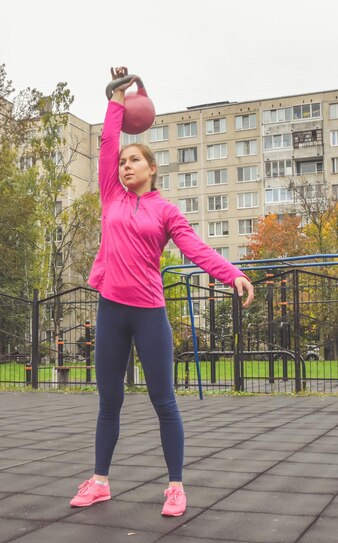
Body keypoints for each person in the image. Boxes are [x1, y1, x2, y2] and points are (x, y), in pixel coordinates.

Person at [70, 67, 254, 516]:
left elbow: (195, 249)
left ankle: (175, 486)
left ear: (152, 168)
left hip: (150, 313)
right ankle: (99, 481)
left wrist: (231, 273)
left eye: (134, 161)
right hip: (112, 309)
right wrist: (115, 100)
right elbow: (107, 144)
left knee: (163, 401)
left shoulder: (166, 211)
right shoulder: (110, 195)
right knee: (109, 401)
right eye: (122, 163)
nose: (125, 166)